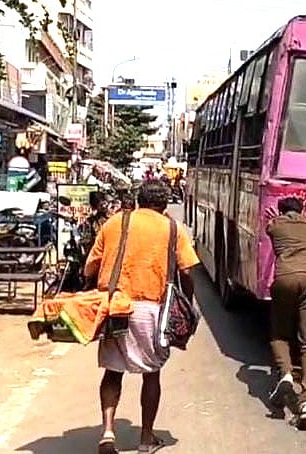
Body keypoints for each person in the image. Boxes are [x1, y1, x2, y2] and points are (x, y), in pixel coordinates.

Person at [85, 180, 200, 454]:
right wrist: (189, 304)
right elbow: (187, 271)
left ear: (138, 200)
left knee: (112, 373)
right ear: (164, 205)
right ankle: (146, 440)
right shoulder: (173, 228)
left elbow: (90, 267)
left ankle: (108, 433)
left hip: (115, 305)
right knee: (152, 375)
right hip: (151, 310)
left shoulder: (114, 223)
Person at [264, 193, 306, 430]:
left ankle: (287, 374)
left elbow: (271, 225)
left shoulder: (275, 225)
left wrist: (281, 216)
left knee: (279, 334)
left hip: (284, 279)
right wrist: (303, 210)